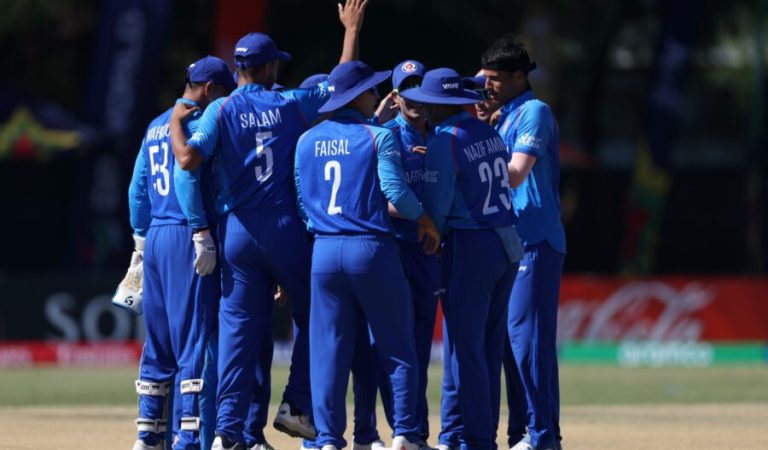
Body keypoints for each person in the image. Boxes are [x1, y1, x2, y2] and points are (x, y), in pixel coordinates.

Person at [169, 2, 370, 449]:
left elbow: (187, 160)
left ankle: (225, 434)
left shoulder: (219, 111)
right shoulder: (290, 103)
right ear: (267, 67)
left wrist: (174, 124)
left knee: (238, 337)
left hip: (238, 232)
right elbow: (341, 82)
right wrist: (351, 30)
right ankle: (297, 407)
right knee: (316, 315)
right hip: (285, 228)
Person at [293, 59, 441, 450]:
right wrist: (425, 220)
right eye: (372, 89)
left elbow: (303, 202)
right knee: (397, 345)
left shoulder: (306, 139)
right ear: (358, 95)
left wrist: (323, 230)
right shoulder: (379, 136)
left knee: (328, 351)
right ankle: (406, 434)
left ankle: (327, 439)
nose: (377, 95)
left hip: (323, 251)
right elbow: (395, 191)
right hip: (372, 247)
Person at [401, 68, 522, 450]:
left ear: (439, 105)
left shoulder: (444, 141)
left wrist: (426, 232)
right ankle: (456, 435)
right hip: (506, 244)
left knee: (467, 351)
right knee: (482, 348)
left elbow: (435, 213)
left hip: (470, 249)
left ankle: (478, 440)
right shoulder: (488, 132)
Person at [127, 55, 234, 450]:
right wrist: (201, 232)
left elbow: (137, 192)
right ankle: (187, 435)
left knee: (157, 341)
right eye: (223, 92)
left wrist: (140, 242)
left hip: (154, 235)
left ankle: (147, 435)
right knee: (193, 338)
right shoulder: (199, 124)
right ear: (209, 90)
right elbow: (189, 176)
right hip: (187, 234)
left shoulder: (156, 125)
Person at [482, 35, 566, 450]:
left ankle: (543, 437)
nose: (488, 86)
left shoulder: (534, 111)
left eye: (496, 79)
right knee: (508, 345)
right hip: (507, 242)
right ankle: (522, 435)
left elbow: (514, 174)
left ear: (520, 77)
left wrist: (468, 153)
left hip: (535, 239)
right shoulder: (499, 117)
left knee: (528, 342)